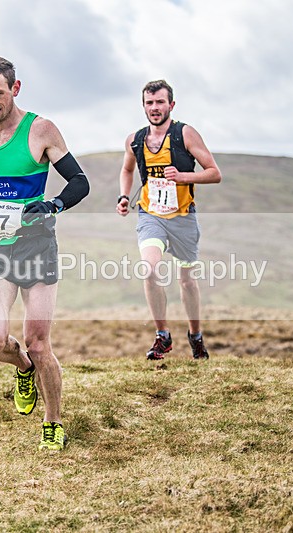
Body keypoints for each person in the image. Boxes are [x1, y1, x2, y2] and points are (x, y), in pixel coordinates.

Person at [0, 56, 90, 451]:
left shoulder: (40, 130)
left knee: (39, 342)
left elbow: (80, 181)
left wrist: (54, 205)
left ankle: (53, 421)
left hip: (36, 246)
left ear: (15, 88)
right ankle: (22, 369)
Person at [117, 80, 222, 360]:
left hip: (183, 218)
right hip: (151, 214)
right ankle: (162, 336)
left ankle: (195, 335)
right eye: (149, 103)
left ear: (171, 105)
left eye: (160, 102)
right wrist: (123, 197)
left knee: (187, 281)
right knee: (149, 270)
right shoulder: (135, 139)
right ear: (143, 106)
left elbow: (214, 172)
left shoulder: (185, 134)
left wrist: (184, 176)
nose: (154, 108)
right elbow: (127, 170)